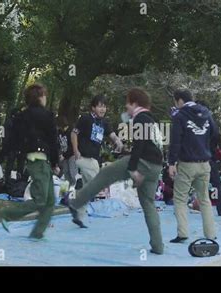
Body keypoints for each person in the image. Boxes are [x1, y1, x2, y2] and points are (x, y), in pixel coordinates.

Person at [66, 88, 164, 254]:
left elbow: (140, 145)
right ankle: (158, 246)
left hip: (142, 162)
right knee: (148, 204)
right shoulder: (152, 120)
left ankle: (75, 202)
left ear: (134, 103)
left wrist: (133, 169)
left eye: (127, 103)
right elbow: (155, 145)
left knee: (105, 174)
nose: (126, 107)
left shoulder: (140, 118)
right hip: (155, 166)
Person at [0, 84, 60, 240]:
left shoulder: (21, 116)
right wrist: (55, 162)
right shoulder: (47, 116)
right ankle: (7, 214)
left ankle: (37, 233)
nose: (46, 98)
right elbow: (54, 141)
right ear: (39, 97)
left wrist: (1, 155)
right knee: (40, 200)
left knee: (50, 201)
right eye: (44, 95)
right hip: (40, 161)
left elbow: (11, 139)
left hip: (35, 160)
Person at [167, 90, 218, 243]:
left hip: (187, 164)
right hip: (204, 163)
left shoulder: (180, 116)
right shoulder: (207, 114)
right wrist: (207, 150)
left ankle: (183, 233)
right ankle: (211, 234)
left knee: (180, 199)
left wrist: (171, 163)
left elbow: (175, 141)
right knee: (204, 199)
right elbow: (215, 135)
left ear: (180, 100)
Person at [70, 94, 123, 227]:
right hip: (83, 158)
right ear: (93, 107)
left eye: (104, 106)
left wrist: (118, 142)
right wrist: (76, 150)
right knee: (97, 183)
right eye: (100, 106)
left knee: (89, 188)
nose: (102, 109)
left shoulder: (104, 122)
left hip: (94, 159)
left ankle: (79, 216)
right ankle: (73, 203)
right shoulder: (85, 119)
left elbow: (112, 135)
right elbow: (74, 133)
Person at [0, 107, 26, 181]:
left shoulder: (8, 122)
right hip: (21, 147)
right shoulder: (24, 122)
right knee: (20, 165)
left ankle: (7, 180)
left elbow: (5, 136)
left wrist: (5, 148)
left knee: (10, 164)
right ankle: (19, 180)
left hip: (11, 147)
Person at [57, 114, 78, 186]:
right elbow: (58, 144)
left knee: (72, 172)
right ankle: (68, 189)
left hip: (71, 155)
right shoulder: (59, 132)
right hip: (64, 155)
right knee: (66, 172)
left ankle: (74, 187)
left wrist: (64, 155)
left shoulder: (70, 131)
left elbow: (72, 146)